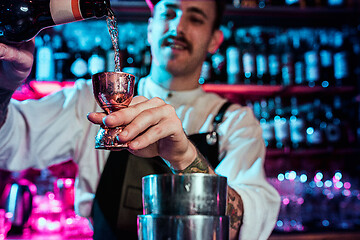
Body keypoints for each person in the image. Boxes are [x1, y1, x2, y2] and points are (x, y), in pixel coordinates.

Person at [0, 0, 280, 239]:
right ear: (150, 28)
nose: (177, 27)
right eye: (168, 13)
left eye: (195, 18)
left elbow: (246, 224)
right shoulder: (92, 100)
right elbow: (7, 145)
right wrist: (3, 87)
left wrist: (185, 157)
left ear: (214, 41)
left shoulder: (235, 122)